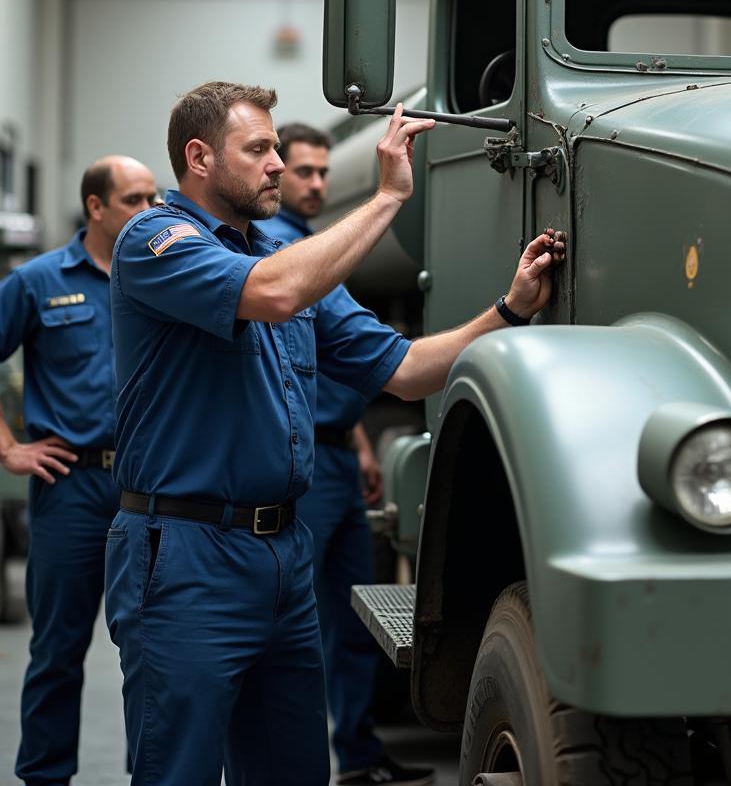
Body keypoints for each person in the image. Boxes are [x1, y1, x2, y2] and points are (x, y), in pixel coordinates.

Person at [105, 81, 561, 786]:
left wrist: (509, 310)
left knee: (291, 771)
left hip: (282, 557)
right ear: (199, 157)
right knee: (178, 770)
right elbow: (273, 293)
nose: (278, 165)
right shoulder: (157, 242)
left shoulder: (291, 260)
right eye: (258, 149)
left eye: (278, 150)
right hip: (188, 558)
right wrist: (386, 198)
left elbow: (407, 371)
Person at [258, 122, 431, 786]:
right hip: (302, 472)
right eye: (303, 171)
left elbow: (339, 365)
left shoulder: (318, 250)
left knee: (354, 615)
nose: (316, 184)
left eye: (324, 174)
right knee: (295, 629)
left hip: (338, 453)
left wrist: (359, 442)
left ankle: (358, 754)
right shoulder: (278, 251)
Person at [0, 156, 157, 786]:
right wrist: (9, 448)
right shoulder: (37, 281)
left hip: (150, 490)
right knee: (58, 653)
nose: (149, 212)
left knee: (151, 654)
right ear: (96, 207)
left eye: (154, 198)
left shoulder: (161, 275)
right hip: (70, 487)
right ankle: (44, 778)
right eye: (134, 200)